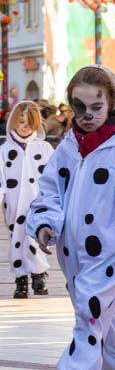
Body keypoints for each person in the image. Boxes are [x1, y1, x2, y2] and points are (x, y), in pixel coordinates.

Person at [28, 67, 115, 370]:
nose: (86, 116)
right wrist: (45, 223)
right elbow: (51, 189)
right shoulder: (69, 146)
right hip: (71, 250)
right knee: (101, 314)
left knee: (91, 306)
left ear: (111, 104)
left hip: (108, 249)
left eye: (95, 108)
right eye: (78, 107)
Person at [4, 102, 51, 298]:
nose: (23, 126)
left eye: (28, 123)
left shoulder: (44, 147)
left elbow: (53, 175)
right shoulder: (4, 150)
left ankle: (39, 274)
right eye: (20, 122)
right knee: (17, 238)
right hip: (14, 203)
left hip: (38, 201)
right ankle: (20, 278)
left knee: (37, 236)